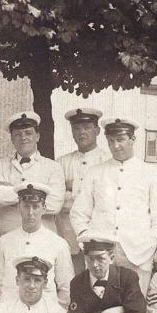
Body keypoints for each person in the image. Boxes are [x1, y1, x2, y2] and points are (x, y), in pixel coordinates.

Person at [70, 117, 157, 293]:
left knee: (134, 309)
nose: (115, 146)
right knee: (100, 308)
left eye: (121, 140)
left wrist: (150, 244)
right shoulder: (95, 173)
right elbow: (78, 213)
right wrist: (88, 241)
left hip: (137, 255)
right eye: (111, 141)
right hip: (100, 254)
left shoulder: (152, 174)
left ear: (133, 139)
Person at [0, 183, 73, 307]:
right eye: (26, 206)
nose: (30, 212)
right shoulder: (5, 241)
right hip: (11, 310)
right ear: (19, 207)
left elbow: (66, 287)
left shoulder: (58, 243)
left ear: (44, 208)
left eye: (36, 206)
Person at [0, 111, 66, 237]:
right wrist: (38, 193)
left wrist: (11, 190)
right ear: (12, 139)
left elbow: (55, 205)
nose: (23, 137)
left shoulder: (53, 167)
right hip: (7, 237)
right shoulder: (0, 165)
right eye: (18, 134)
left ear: (38, 136)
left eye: (28, 133)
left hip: (43, 238)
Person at [56, 108, 111, 273]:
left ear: (97, 130)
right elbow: (56, 199)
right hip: (68, 236)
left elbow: (105, 199)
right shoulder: (61, 162)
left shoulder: (107, 161)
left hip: (99, 236)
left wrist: (70, 187)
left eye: (87, 127)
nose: (82, 132)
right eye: (77, 128)